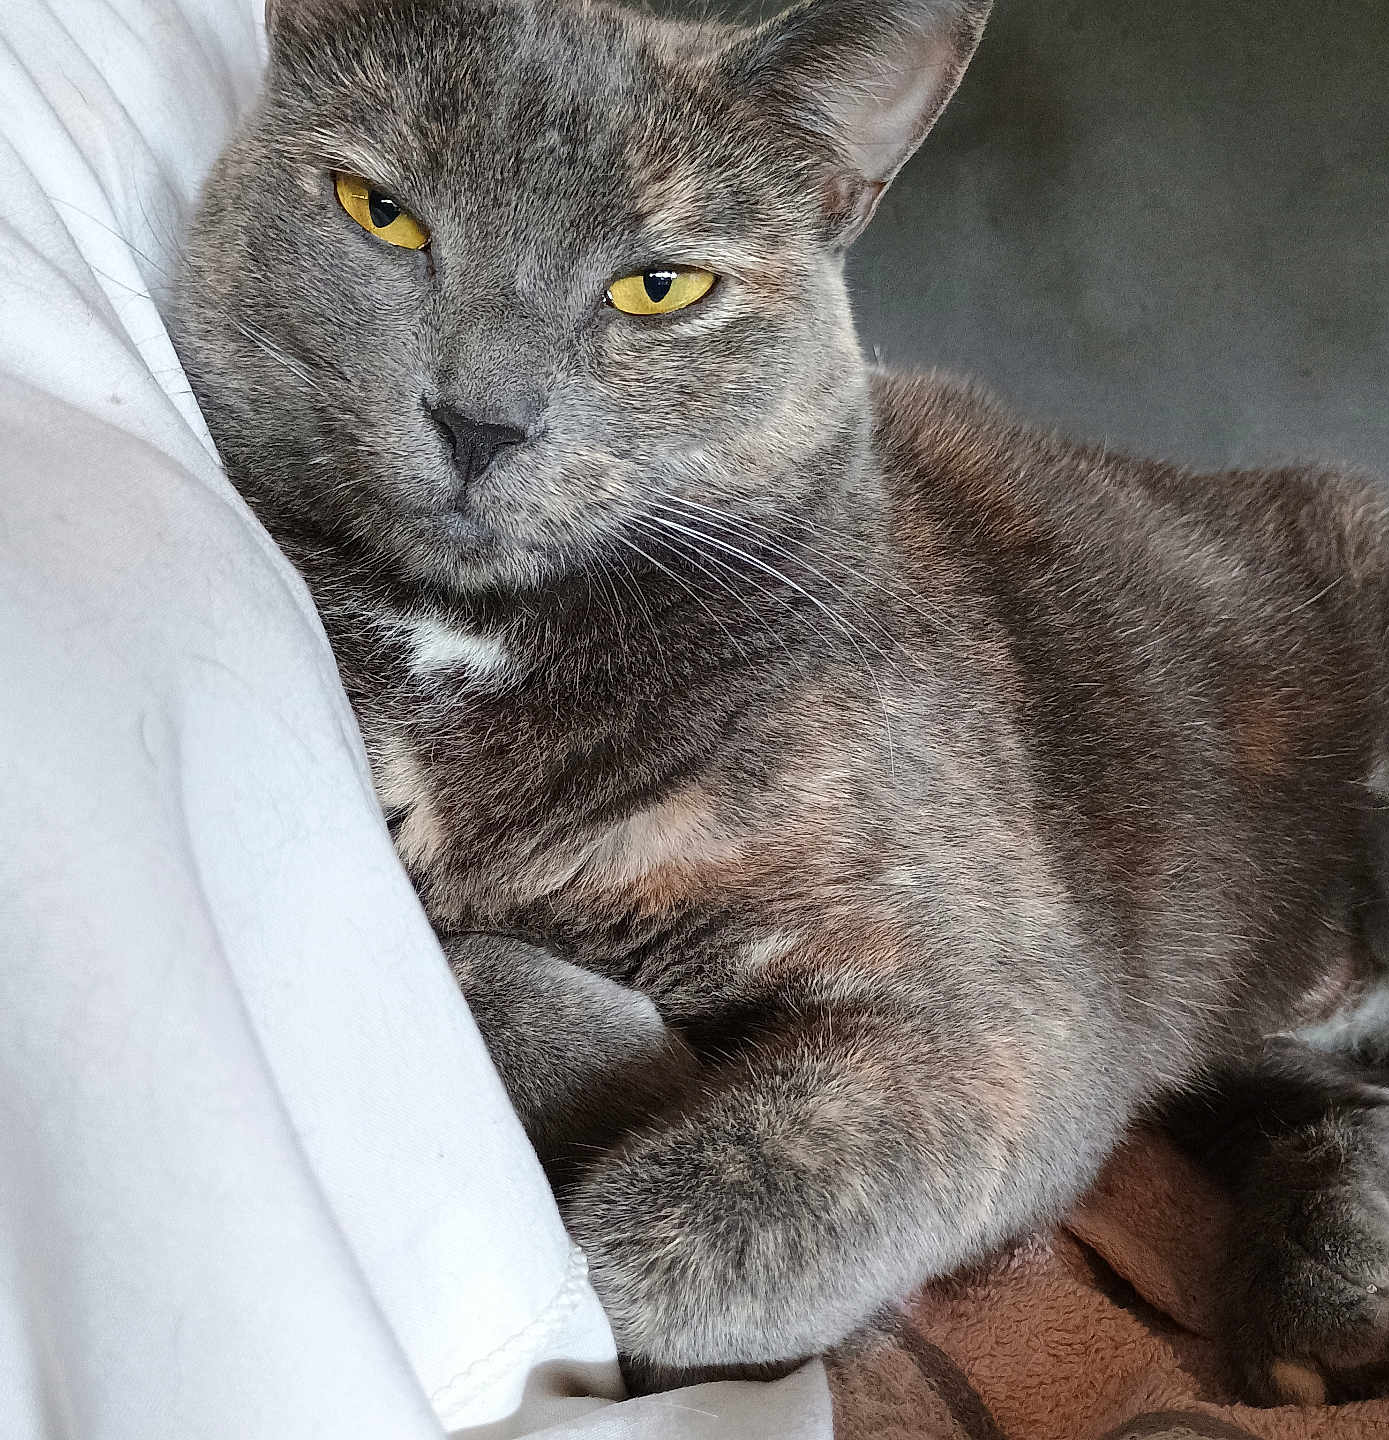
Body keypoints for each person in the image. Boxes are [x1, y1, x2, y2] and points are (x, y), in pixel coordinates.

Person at [0, 2, 832, 1434]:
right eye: (387, 213)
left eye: (654, 288)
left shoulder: (787, 663)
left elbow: (971, 1060)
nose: (484, 398)